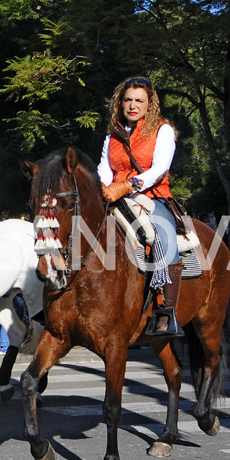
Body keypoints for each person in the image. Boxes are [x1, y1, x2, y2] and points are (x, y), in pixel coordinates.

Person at [97, 76, 182, 336]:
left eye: (139, 101)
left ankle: (165, 311)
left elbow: (159, 169)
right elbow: (103, 167)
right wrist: (103, 186)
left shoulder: (162, 130)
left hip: (151, 195)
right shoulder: (113, 135)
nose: (133, 105)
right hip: (113, 197)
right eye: (128, 100)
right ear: (120, 103)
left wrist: (126, 186)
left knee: (164, 237)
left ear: (150, 104)